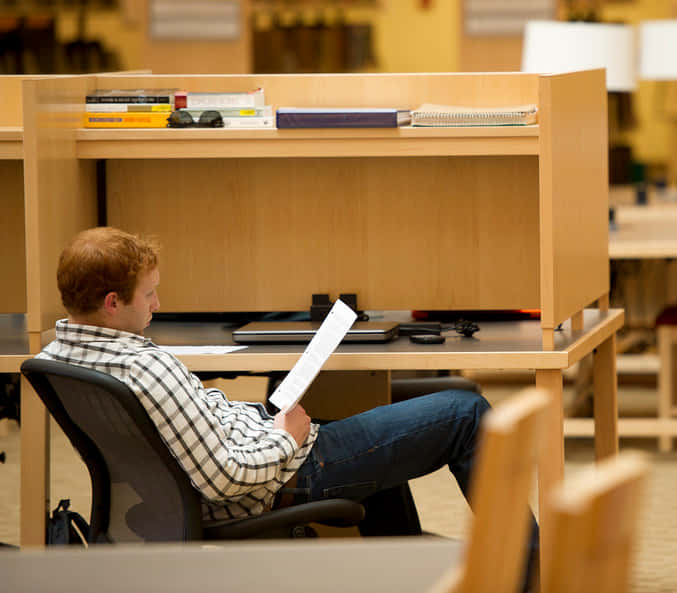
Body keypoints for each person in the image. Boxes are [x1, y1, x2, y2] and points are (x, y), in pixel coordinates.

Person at [38, 227, 538, 586]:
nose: (157, 305)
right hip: (281, 473)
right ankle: (538, 577)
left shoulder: (57, 356)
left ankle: (403, 570)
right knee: (465, 412)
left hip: (255, 445)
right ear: (111, 302)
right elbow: (224, 479)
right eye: (149, 295)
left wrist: (263, 421)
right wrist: (287, 435)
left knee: (393, 430)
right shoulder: (147, 369)